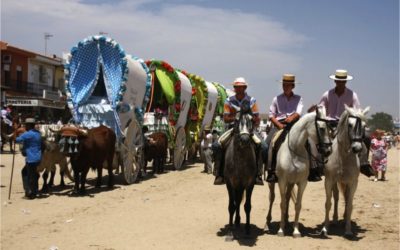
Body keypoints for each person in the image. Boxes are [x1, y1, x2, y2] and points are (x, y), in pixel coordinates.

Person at [316, 69, 374, 179]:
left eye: (342, 81)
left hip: (347, 125)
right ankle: (317, 166)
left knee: (366, 137)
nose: (340, 83)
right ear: (335, 81)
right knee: (317, 139)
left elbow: (357, 111)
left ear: (346, 82)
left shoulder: (352, 95)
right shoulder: (327, 94)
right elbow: (321, 108)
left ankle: (364, 163)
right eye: (338, 81)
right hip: (330, 123)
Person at [212, 77, 265, 185]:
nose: (239, 89)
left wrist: (252, 119)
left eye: (241, 87)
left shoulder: (252, 101)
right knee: (216, 145)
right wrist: (236, 118)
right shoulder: (228, 101)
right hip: (232, 128)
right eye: (237, 87)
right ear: (234, 88)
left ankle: (258, 174)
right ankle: (219, 173)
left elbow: (257, 118)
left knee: (264, 146)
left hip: (248, 129)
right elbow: (226, 118)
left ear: (245, 88)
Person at [265, 74, 303, 183]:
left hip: (294, 125)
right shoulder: (276, 99)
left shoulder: (299, 98)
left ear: (293, 86)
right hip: (279, 125)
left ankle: (313, 169)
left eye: (288, 85)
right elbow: (271, 115)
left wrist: (291, 118)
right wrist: (279, 125)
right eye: (284, 85)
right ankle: (270, 170)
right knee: (267, 145)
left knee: (308, 142)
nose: (285, 87)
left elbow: (298, 112)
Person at [16, 118, 42, 199]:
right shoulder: (38, 133)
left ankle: (30, 192)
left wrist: (15, 132)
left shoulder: (28, 134)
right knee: (34, 174)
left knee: (27, 174)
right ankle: (35, 190)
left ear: (29, 125)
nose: (25, 126)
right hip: (38, 157)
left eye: (26, 125)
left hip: (31, 158)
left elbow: (17, 140)